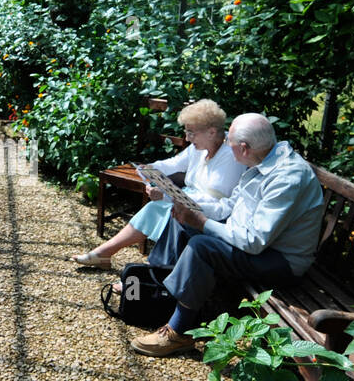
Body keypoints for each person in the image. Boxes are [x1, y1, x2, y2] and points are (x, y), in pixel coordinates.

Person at [129, 113, 323, 359]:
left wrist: (202, 222)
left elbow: (253, 242)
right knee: (183, 224)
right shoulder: (260, 162)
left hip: (280, 261)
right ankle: (160, 294)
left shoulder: (287, 178)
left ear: (243, 148)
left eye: (230, 146)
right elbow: (228, 207)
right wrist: (185, 204)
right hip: (256, 246)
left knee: (202, 246)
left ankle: (179, 332)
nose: (228, 152)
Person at [72, 99, 246, 268]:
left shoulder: (231, 158)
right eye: (186, 131)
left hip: (209, 214)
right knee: (156, 207)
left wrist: (166, 195)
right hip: (187, 202)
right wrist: (148, 169)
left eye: (191, 132)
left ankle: (142, 270)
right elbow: (173, 163)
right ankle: (107, 254)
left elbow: (218, 204)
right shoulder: (198, 149)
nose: (187, 137)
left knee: (162, 209)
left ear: (212, 132)